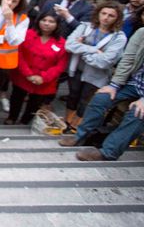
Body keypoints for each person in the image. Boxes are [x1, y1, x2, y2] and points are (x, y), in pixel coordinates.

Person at [59, 27, 144, 161]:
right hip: (134, 84)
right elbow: (128, 60)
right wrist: (114, 85)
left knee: (137, 113)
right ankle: (81, 136)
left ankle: (108, 152)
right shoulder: (141, 33)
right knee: (101, 98)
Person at [64, 2, 127, 133]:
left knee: (86, 102)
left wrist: (82, 50)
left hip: (96, 76)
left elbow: (105, 61)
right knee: (72, 97)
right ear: (98, 13)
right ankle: (67, 123)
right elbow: (69, 45)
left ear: (117, 18)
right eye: (103, 13)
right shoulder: (84, 27)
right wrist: (94, 50)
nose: (106, 17)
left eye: (111, 15)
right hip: (76, 70)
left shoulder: (119, 37)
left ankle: (76, 128)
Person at [6, 12, 68, 125]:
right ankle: (12, 117)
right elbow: (19, 55)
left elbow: (60, 66)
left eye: (51, 22)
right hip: (23, 75)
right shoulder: (27, 34)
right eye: (44, 20)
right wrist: (28, 74)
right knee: (16, 98)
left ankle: (24, 122)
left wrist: (43, 78)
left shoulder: (62, 43)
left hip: (44, 80)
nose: (47, 24)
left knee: (35, 103)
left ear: (57, 25)